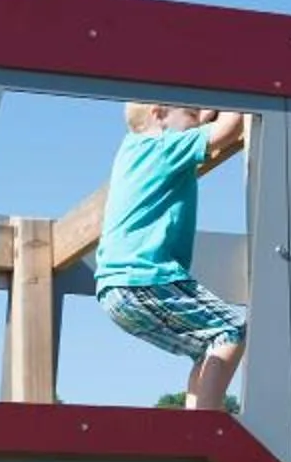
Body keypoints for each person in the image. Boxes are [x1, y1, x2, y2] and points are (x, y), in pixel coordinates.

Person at [95, 104, 249, 411]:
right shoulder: (165, 145)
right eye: (192, 112)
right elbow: (229, 128)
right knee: (231, 330)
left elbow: (194, 126)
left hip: (115, 292)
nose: (199, 116)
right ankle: (207, 422)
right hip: (147, 278)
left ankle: (196, 427)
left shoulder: (134, 150)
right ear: (158, 114)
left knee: (209, 347)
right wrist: (240, 98)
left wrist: (197, 118)